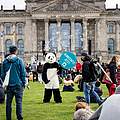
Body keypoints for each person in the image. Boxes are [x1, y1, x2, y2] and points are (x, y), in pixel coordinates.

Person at [1, 45, 26, 120]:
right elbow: (23, 73)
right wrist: (23, 83)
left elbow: (2, 75)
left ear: (9, 51)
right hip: (18, 84)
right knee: (19, 103)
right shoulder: (19, 60)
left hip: (9, 85)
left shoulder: (5, 61)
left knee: (8, 103)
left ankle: (8, 118)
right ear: (16, 51)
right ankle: (19, 118)